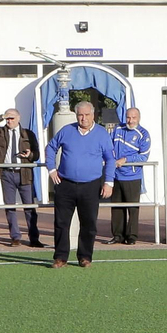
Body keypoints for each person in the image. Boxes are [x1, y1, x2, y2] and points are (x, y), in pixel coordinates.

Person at [44, 102, 115, 268]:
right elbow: (50, 148)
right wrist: (51, 169)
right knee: (61, 223)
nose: (83, 118)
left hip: (91, 185)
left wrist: (109, 182)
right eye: (80, 115)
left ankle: (85, 257)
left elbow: (110, 159)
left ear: (93, 115)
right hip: (65, 184)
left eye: (86, 115)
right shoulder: (67, 131)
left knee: (89, 223)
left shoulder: (102, 134)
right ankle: (60, 257)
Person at [0, 109, 42, 247]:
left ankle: (34, 238)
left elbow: (37, 155)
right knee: (10, 206)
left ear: (18, 118)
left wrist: (30, 155)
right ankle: (15, 237)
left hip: (24, 173)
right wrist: (0, 117)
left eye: (11, 118)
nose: (9, 121)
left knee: (29, 207)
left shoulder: (28, 134)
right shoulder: (1, 132)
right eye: (7, 118)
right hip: (7, 173)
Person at [110, 107, 151, 245]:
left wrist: (126, 160)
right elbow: (109, 147)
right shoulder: (117, 129)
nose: (130, 120)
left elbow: (144, 157)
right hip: (116, 176)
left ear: (138, 118)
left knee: (132, 208)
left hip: (132, 176)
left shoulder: (143, 134)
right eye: (128, 117)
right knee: (116, 207)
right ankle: (117, 236)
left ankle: (132, 236)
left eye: (133, 118)